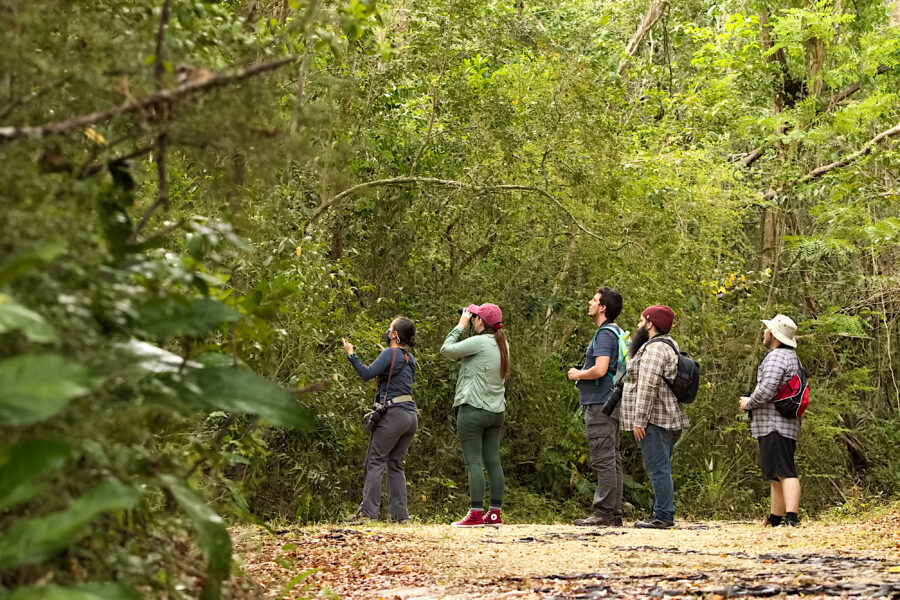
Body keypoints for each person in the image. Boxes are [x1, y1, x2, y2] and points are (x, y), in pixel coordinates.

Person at [341, 317, 418, 523]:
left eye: (390, 328)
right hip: (411, 416)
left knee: (375, 461)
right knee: (395, 464)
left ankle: (368, 514)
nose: (387, 331)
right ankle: (401, 517)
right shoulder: (411, 359)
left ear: (394, 335)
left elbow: (366, 374)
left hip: (393, 414)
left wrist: (351, 355)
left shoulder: (389, 353)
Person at [440, 303, 510, 528]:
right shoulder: (503, 344)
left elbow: (447, 350)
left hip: (473, 410)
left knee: (473, 462)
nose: (471, 319)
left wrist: (460, 325)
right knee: (493, 460)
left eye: (474, 316)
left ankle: (476, 512)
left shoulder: (480, 342)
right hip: (496, 411)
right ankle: (494, 513)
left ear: (480, 322)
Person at [619, 305, 688, 529]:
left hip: (655, 419)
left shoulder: (655, 349)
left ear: (650, 323)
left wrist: (640, 419)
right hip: (668, 417)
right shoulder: (669, 346)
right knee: (662, 466)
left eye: (641, 321)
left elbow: (647, 385)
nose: (639, 325)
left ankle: (664, 516)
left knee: (658, 468)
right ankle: (659, 511)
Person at [568, 287, 626, 527]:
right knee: (612, 457)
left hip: (600, 403)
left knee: (602, 457)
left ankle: (603, 512)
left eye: (594, 300)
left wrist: (578, 374)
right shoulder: (617, 332)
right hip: (612, 401)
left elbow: (601, 369)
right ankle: (614, 512)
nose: (589, 303)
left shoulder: (604, 334)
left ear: (603, 308)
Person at [739, 315, 803, 527]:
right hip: (779, 423)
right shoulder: (791, 357)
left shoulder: (777, 357)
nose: (763, 333)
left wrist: (748, 402)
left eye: (767, 330)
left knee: (784, 471)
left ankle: (792, 517)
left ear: (774, 335)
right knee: (775, 474)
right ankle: (776, 517)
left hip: (775, 423)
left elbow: (766, 389)